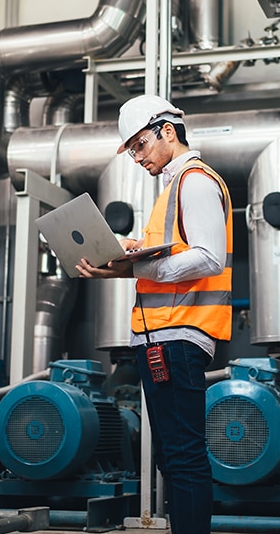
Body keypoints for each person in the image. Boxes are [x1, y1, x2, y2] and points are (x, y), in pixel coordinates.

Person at [75, 94, 232, 534]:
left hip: (179, 335)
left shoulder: (194, 181)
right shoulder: (173, 187)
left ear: (167, 131)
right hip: (162, 337)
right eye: (131, 151)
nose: (137, 158)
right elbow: (168, 262)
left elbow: (208, 257)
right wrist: (121, 263)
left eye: (140, 146)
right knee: (170, 454)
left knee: (182, 455)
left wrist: (135, 264)